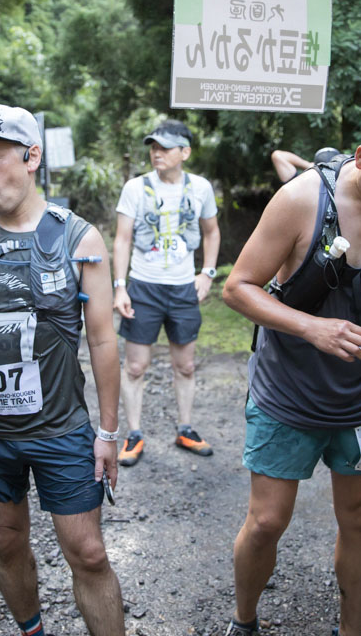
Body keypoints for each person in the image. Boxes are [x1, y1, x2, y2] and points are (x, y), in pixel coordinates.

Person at [221, 111, 361, 636]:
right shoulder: (302, 200)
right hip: (287, 394)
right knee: (267, 522)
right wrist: (312, 327)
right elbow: (238, 288)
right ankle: (244, 620)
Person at [0, 104, 125, 636]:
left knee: (88, 552)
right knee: (7, 540)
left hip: (59, 428)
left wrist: (108, 433)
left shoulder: (78, 239)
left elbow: (102, 339)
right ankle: (31, 629)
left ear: (32, 156)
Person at [112, 120, 220, 466]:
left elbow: (211, 231)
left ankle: (185, 428)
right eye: (153, 147)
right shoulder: (135, 188)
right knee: (135, 366)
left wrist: (207, 273)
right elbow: (122, 239)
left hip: (183, 288)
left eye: (165, 148)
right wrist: (120, 286)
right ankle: (134, 434)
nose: (156, 153)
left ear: (184, 152)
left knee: (185, 365)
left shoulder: (200, 188)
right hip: (143, 287)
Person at [270, 146, 342, 184]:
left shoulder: (299, 186)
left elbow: (277, 156)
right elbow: (277, 156)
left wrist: (308, 165)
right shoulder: (344, 191)